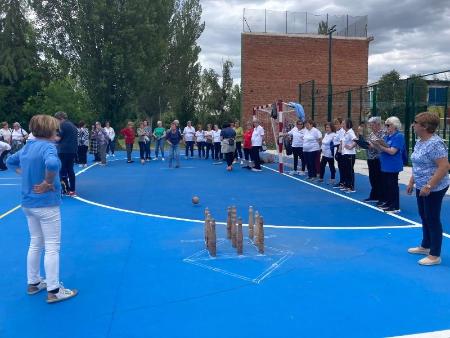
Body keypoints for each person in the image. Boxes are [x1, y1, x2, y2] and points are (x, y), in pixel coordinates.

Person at [6, 114, 78, 303]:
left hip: (28, 204)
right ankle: (54, 290)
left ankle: (34, 282)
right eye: (55, 129)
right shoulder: (48, 147)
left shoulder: (27, 147)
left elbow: (9, 162)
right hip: (46, 204)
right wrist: (47, 181)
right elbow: (53, 163)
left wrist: (25, 174)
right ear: (49, 131)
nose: (57, 132)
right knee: (52, 247)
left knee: (35, 242)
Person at [407, 112, 450, 266]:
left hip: (435, 187)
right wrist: (412, 181)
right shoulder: (420, 141)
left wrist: (429, 185)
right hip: (421, 184)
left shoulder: (435, 144)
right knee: (424, 215)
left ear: (424, 126)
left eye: (415, 122)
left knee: (432, 218)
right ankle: (425, 245)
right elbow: (418, 163)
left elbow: (444, 166)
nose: (413, 124)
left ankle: (435, 255)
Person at [374, 116, 405, 213]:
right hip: (385, 164)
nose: (386, 127)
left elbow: (392, 151)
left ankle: (395, 206)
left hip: (393, 165)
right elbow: (382, 149)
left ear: (395, 126)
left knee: (392, 185)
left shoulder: (399, 136)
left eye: (388, 125)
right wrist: (376, 145)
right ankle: (388, 202)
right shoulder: (387, 137)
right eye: (386, 125)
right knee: (386, 185)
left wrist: (381, 147)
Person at [54, 112, 78, 197]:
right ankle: (72, 190)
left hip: (63, 150)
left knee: (62, 170)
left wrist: (50, 137)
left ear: (60, 118)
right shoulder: (73, 125)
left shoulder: (62, 125)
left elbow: (58, 138)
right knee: (70, 170)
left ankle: (65, 189)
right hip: (73, 150)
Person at [363, 116, 384, 202]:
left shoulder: (382, 134)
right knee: (372, 177)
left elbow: (383, 147)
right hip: (370, 158)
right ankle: (374, 195)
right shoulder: (371, 134)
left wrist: (373, 146)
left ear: (378, 125)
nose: (370, 127)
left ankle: (380, 196)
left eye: (372, 125)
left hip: (378, 159)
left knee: (378, 178)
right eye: (370, 125)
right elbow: (369, 144)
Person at [340, 119, 357, 192]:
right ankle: (347, 184)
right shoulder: (345, 132)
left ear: (348, 124)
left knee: (350, 170)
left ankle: (351, 186)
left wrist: (351, 147)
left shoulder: (350, 132)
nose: (342, 125)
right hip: (345, 153)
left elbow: (356, 140)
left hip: (350, 154)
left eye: (343, 124)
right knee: (345, 170)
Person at [332, 118, 345, 188]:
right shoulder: (337, 131)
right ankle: (342, 181)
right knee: (340, 166)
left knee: (342, 167)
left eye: (337, 124)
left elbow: (341, 142)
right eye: (334, 124)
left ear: (340, 124)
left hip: (340, 149)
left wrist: (338, 152)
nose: (335, 125)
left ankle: (343, 182)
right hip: (336, 148)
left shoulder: (341, 131)